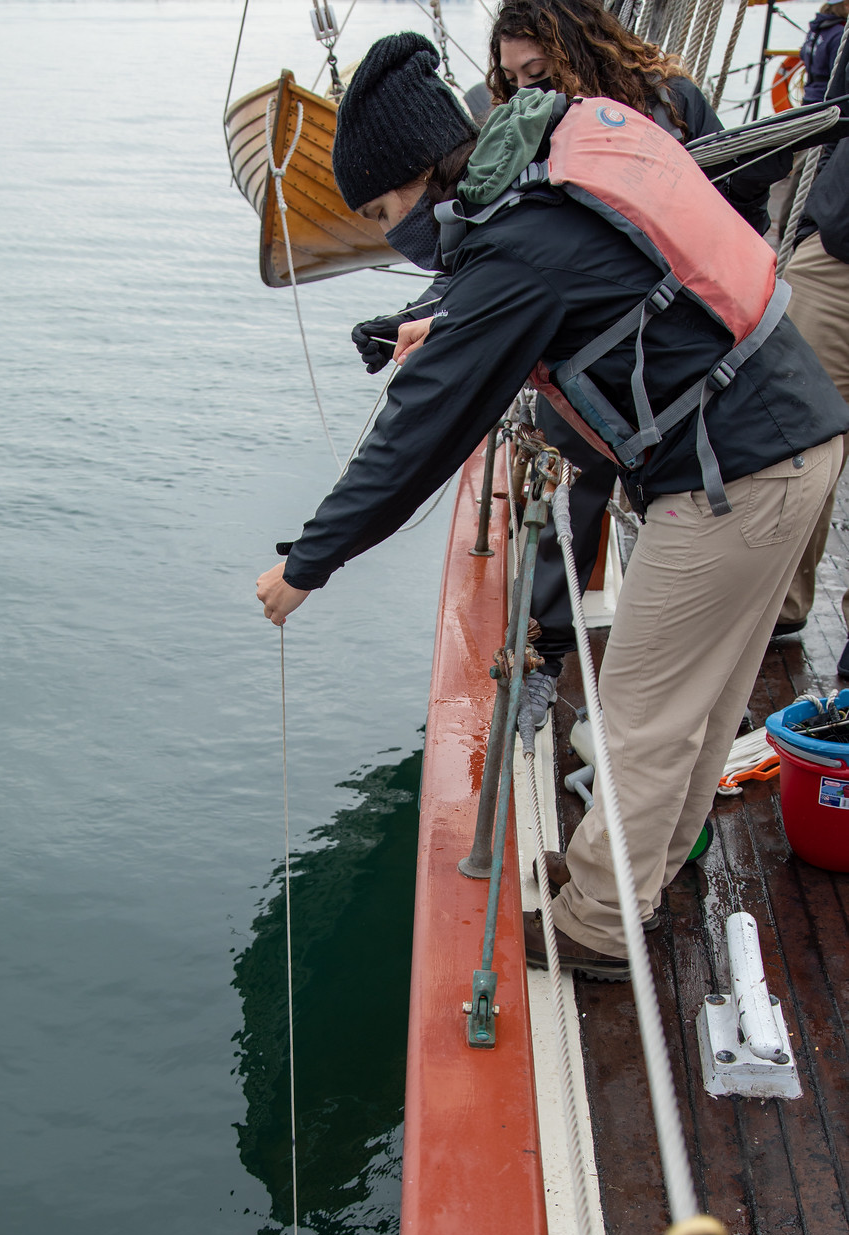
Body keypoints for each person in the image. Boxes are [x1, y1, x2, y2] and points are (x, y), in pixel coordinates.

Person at [255, 32, 848, 979]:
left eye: (382, 207)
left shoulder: (518, 245)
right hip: (790, 436)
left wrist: (305, 564)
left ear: (424, 175)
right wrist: (439, 321)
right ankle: (633, 873)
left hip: (733, 478)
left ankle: (601, 925)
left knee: (642, 717)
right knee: (701, 701)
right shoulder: (544, 156)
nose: (387, 229)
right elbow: (568, 282)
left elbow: (419, 435)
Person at [352, 0, 789, 732]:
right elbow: (479, 248)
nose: (525, 88)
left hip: (674, 348)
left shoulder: (664, 107)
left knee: (681, 504)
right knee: (567, 487)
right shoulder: (518, 136)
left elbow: (747, 193)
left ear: (578, 50)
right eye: (510, 76)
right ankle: (545, 653)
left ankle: (686, 682)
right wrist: (416, 315)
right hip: (580, 348)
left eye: (538, 70)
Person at [776, 139, 849, 675]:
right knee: (796, 441)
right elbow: (834, 105)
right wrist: (808, 231)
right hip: (836, 258)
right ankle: (781, 604)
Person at [801, 1, 848, 104]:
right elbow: (839, 72)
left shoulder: (814, 29)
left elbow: (803, 54)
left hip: (809, 97)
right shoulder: (839, 34)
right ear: (842, 6)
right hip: (826, 100)